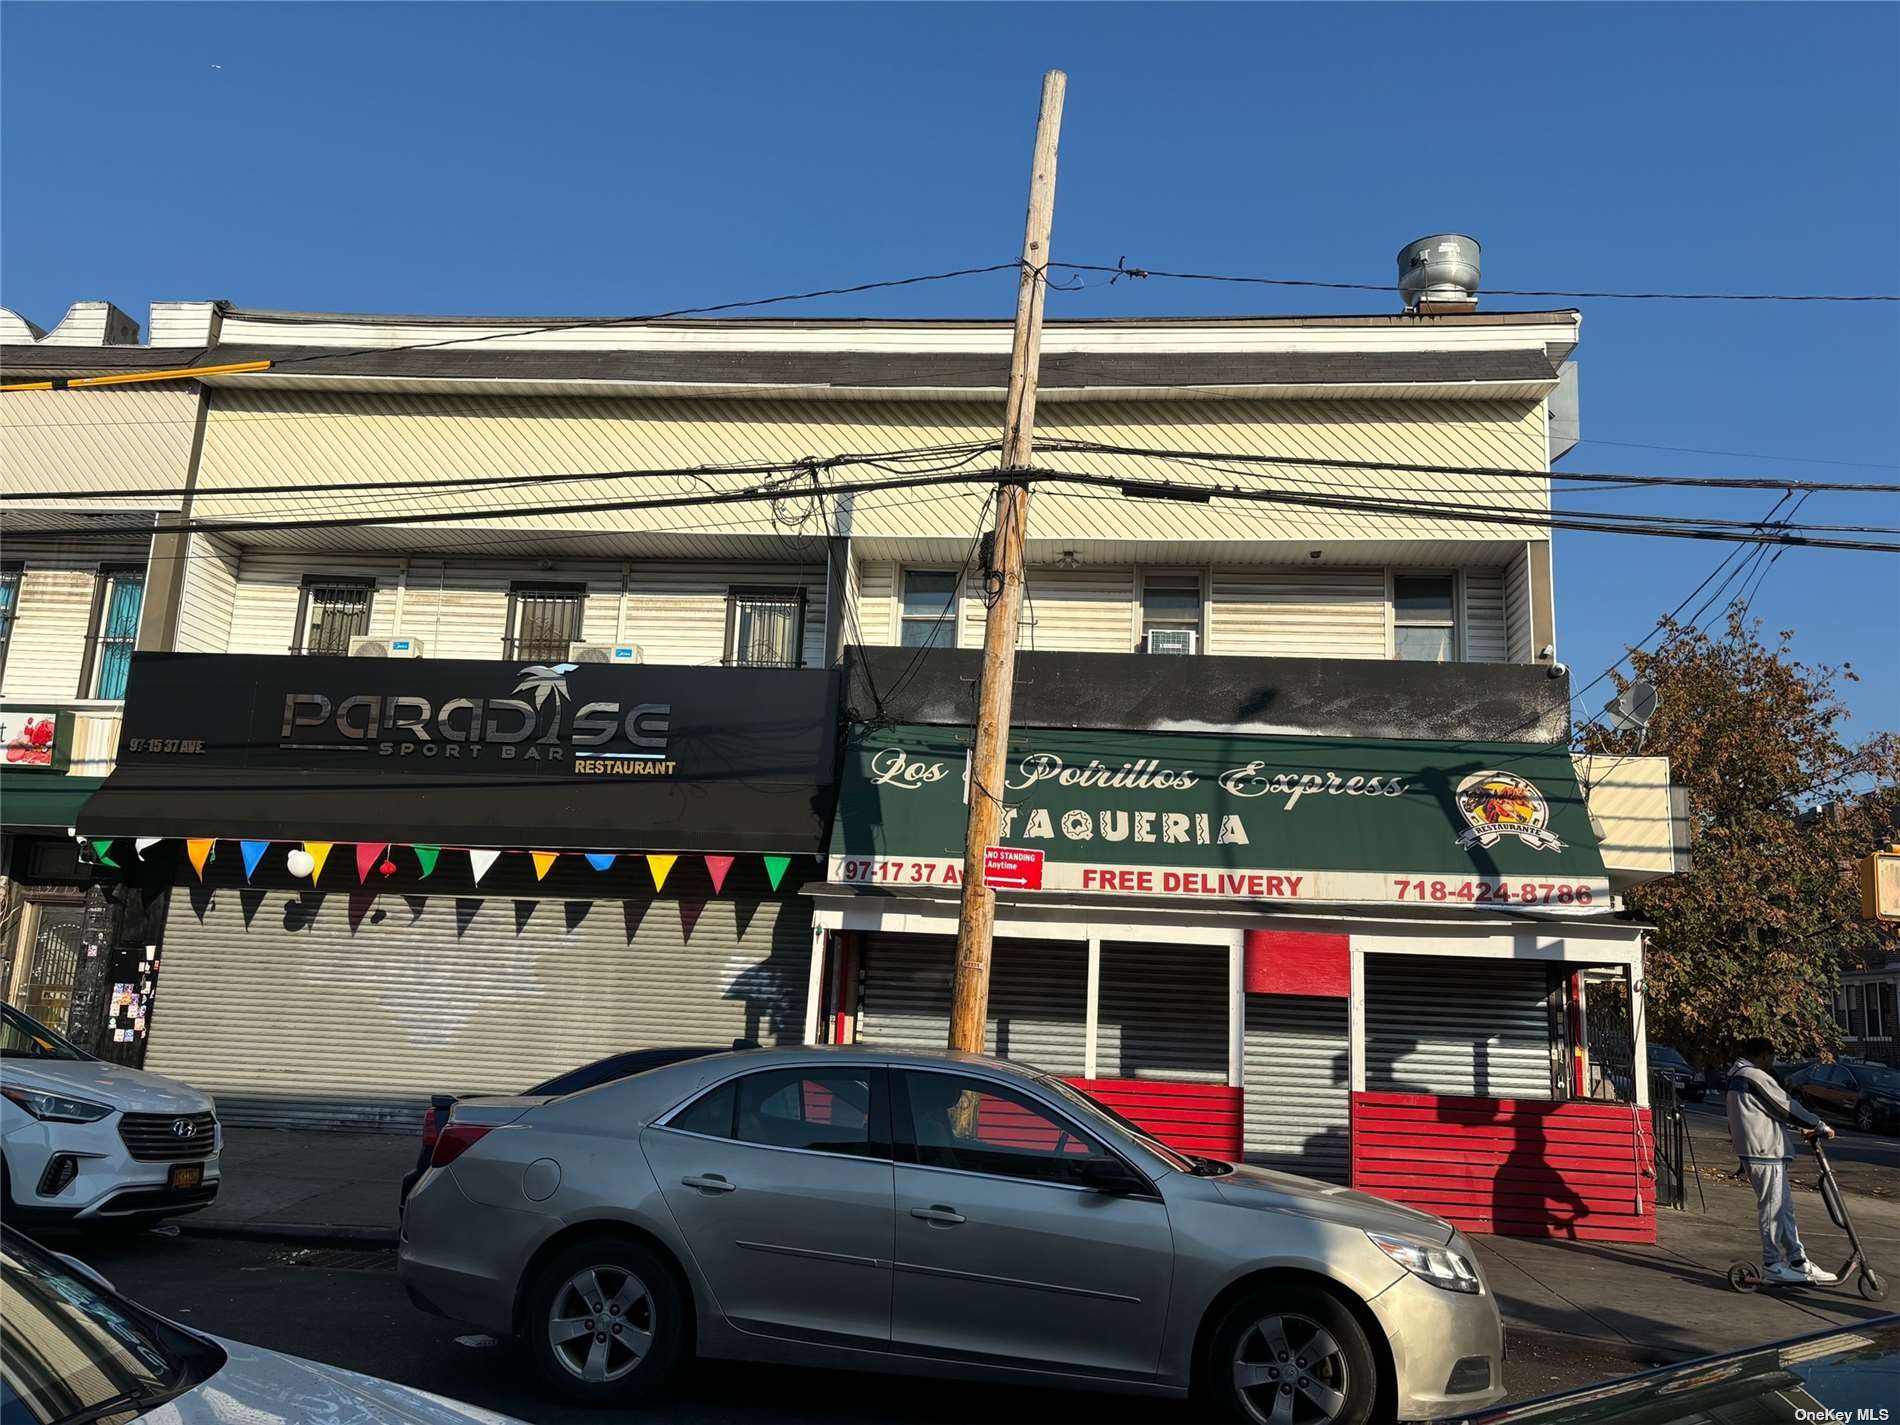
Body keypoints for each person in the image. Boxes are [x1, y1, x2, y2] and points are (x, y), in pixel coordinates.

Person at [1723, 1037, 1838, 1285]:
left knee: (1783, 1208)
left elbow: (1768, 1111)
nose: (1772, 1062)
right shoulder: (1753, 1076)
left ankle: (1797, 1260)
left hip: (1759, 1149)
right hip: (1764, 1151)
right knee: (1773, 1209)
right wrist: (1817, 1124)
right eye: (1772, 1057)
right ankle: (1773, 1263)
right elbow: (1785, 1106)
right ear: (1764, 1055)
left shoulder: (1737, 1075)